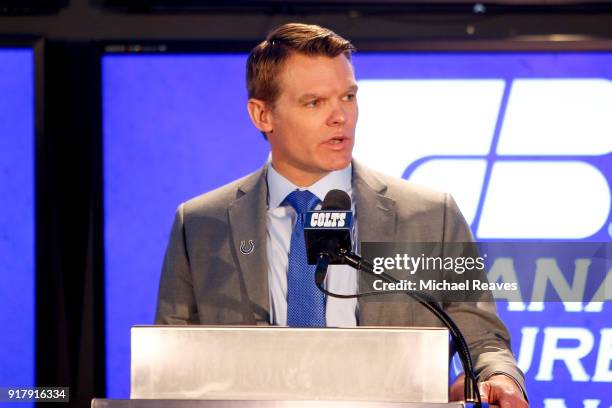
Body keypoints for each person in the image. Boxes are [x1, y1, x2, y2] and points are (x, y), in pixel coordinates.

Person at [155, 22, 528, 407]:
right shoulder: (200, 224)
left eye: (348, 97)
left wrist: (498, 376)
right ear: (262, 115)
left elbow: (482, 340)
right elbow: (171, 364)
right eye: (314, 102)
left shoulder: (431, 216)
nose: (340, 117)